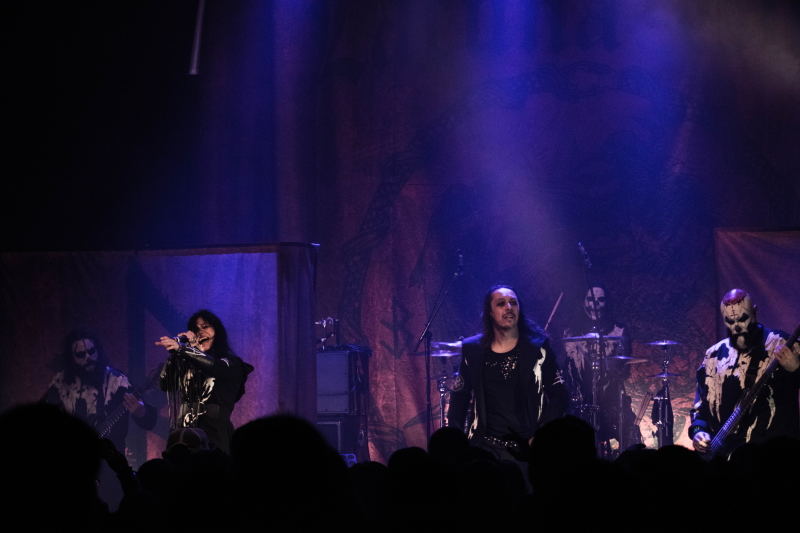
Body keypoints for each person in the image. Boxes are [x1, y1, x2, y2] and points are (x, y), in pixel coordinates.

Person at [447, 284, 569, 472]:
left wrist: (543, 433)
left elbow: (559, 393)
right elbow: (460, 394)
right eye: (501, 303)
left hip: (525, 448)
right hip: (483, 447)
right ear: (489, 311)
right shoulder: (473, 349)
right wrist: (456, 439)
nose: (509, 307)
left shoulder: (538, 347)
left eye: (513, 303)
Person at [690, 289, 800, 455]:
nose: (737, 327)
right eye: (730, 321)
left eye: (742, 319)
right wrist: (698, 431)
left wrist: (797, 369)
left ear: (755, 312)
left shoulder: (784, 344)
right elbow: (699, 413)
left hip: (773, 458)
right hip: (724, 463)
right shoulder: (712, 356)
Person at [157, 310, 254, 455]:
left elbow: (214, 367)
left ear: (217, 331)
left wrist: (185, 350)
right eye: (196, 329)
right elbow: (165, 384)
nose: (200, 332)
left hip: (214, 434)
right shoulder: (187, 363)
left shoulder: (233, 363)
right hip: (184, 435)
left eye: (205, 326)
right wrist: (177, 353)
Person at [44, 329, 157, 452]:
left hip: (111, 464)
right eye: (81, 354)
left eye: (91, 351)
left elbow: (149, 422)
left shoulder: (118, 382)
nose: (88, 358)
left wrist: (141, 412)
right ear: (71, 357)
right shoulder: (59, 383)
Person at [561, 285, 639, 451]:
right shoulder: (569, 333)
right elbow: (566, 370)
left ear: (606, 303)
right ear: (583, 303)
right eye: (590, 300)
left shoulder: (619, 331)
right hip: (581, 399)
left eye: (600, 300)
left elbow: (625, 371)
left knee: (631, 438)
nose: (595, 304)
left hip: (611, 399)